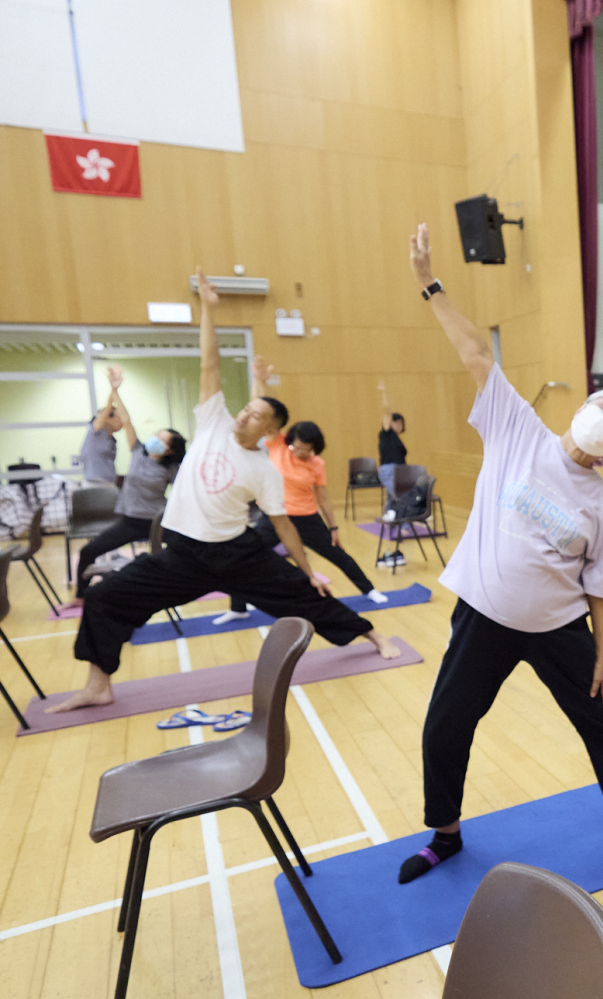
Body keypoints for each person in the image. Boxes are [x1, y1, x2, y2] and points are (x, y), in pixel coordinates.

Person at [397, 224, 603, 885]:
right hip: (486, 615)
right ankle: (446, 832)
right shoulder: (519, 430)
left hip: (557, 626)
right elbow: (473, 353)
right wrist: (430, 282)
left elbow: (601, 583)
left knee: (596, 715)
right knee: (446, 723)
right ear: (582, 408)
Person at [48, 269, 401, 713]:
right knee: (104, 597)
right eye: (245, 409)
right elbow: (208, 362)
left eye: (254, 415)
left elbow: (282, 525)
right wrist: (208, 309)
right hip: (182, 555)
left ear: (270, 430)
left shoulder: (264, 469)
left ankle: (372, 634)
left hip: (237, 555)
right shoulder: (213, 419)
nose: (242, 416)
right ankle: (98, 684)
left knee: (306, 595)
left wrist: (308, 567)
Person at [73, 367, 186, 596]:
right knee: (88, 551)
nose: (154, 439)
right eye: (156, 434)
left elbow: (185, 492)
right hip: (130, 522)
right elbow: (126, 419)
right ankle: (81, 596)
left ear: (170, 450)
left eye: (161, 440)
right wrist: (114, 390)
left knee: (191, 549)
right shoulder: (138, 451)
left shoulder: (172, 468)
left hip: (158, 522)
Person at [268, 419, 384, 597]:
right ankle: (239, 608)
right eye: (296, 448)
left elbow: (323, 498)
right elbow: (267, 413)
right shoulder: (279, 446)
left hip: (306, 518)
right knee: (246, 555)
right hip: (274, 516)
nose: (300, 452)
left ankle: (370, 590)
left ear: (314, 447)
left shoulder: (317, 464)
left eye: (306, 449)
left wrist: (333, 527)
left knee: (338, 555)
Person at [376, 390, 408, 566]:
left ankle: (394, 527)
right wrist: (384, 394)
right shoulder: (386, 433)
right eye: (397, 422)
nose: (399, 425)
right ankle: (402, 526)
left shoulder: (397, 439)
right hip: (389, 470)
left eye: (401, 422)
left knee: (392, 499)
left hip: (399, 471)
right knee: (399, 495)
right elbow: (386, 413)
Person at [80, 390, 124, 486]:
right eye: (119, 417)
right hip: (94, 483)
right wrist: (114, 389)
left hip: (109, 483)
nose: (122, 420)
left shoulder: (111, 439)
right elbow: (107, 410)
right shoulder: (96, 431)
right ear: (108, 418)